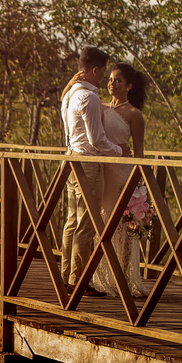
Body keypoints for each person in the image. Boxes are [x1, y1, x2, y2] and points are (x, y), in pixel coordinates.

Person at [60, 47, 124, 298]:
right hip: (88, 162)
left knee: (72, 220)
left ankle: (67, 276)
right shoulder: (89, 98)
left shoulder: (70, 95)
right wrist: (119, 151)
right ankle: (78, 281)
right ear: (94, 70)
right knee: (87, 222)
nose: (105, 77)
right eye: (103, 71)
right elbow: (97, 140)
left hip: (71, 160)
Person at [91, 62, 150, 298]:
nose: (112, 84)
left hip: (121, 174)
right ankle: (99, 277)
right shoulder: (100, 107)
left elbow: (139, 152)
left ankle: (123, 277)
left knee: (122, 227)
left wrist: (137, 186)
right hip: (100, 170)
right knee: (101, 222)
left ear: (129, 86)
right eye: (110, 79)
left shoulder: (134, 114)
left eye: (117, 80)